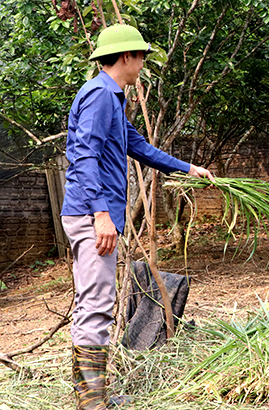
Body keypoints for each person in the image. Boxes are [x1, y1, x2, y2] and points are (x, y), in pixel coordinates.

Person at [60, 24, 213, 410]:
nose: (144, 62)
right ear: (126, 57)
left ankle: (94, 396)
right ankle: (92, 403)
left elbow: (137, 146)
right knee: (96, 305)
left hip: (93, 212)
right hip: (91, 213)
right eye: (141, 56)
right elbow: (84, 157)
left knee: (94, 302)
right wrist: (100, 214)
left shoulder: (112, 97)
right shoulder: (99, 96)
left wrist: (186, 168)